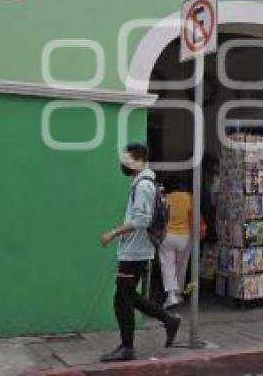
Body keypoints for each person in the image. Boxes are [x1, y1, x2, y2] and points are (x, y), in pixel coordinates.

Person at [99, 143, 181, 362]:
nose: (123, 162)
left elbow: (142, 220)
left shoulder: (143, 185)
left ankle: (128, 347)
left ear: (137, 159)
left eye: (126, 158)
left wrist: (113, 232)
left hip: (136, 251)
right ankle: (168, 319)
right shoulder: (142, 182)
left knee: (122, 297)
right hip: (135, 250)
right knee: (126, 296)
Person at [158, 174, 194, 309]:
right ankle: (178, 294)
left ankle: (171, 295)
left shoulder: (164, 198)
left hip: (167, 235)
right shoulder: (188, 197)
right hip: (185, 236)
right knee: (182, 265)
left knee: (167, 265)